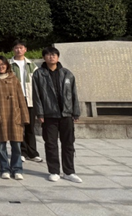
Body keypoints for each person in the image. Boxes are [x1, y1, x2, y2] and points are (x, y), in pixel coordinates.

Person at [32, 46, 82, 183]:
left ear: (58, 57)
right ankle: (54, 171)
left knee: (68, 144)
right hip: (49, 115)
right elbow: (36, 96)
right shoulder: (39, 74)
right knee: (51, 144)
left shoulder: (67, 74)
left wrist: (76, 112)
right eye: (48, 55)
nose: (51, 57)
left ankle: (69, 171)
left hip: (66, 114)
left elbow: (74, 94)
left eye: (54, 54)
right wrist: (40, 113)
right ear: (44, 57)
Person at [0, 55, 30, 180]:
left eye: (3, 64)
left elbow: (21, 98)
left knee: (16, 145)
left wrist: (25, 116)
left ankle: (17, 169)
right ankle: (4, 168)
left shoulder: (14, 79)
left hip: (14, 115)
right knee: (1, 145)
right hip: (0, 115)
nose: (1, 66)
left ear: (7, 65)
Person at [9, 40, 43, 162]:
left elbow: (38, 83)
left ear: (25, 49)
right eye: (16, 48)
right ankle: (22, 152)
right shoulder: (9, 65)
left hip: (29, 99)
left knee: (30, 127)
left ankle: (32, 153)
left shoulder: (32, 65)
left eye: (21, 47)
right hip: (16, 100)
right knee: (18, 127)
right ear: (13, 49)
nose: (18, 50)